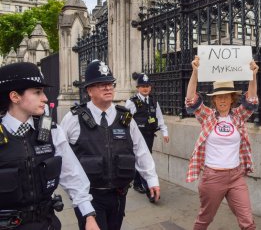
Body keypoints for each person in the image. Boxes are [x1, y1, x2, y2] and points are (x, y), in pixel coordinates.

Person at [60, 60, 161, 230]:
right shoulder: (73, 118)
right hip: (89, 197)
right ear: (89, 90)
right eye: (101, 84)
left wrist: (151, 178)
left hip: (119, 195)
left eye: (110, 84)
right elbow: (60, 155)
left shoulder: (125, 117)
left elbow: (140, 149)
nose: (108, 88)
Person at [0, 62, 99, 230]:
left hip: (47, 224)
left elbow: (72, 174)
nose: (45, 98)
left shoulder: (51, 130)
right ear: (15, 97)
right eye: (37, 92)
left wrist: (89, 216)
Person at [185, 55, 259, 230]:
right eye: (219, 97)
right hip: (213, 177)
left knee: (248, 222)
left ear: (232, 98)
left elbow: (252, 100)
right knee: (204, 220)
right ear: (215, 100)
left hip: (236, 177)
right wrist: (195, 72)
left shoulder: (238, 116)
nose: (223, 100)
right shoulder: (207, 116)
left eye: (226, 96)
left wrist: (253, 75)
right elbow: (191, 100)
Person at [125, 73, 169, 200]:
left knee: (144, 158)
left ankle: (138, 183)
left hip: (149, 136)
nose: (145, 88)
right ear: (138, 87)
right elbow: (126, 120)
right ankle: (150, 190)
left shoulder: (154, 101)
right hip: (137, 138)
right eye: (142, 86)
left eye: (147, 86)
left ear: (150, 87)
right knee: (143, 159)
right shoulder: (132, 102)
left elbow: (159, 118)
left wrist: (164, 132)